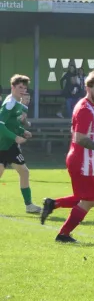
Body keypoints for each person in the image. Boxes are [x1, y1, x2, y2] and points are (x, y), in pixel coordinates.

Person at [40, 70, 94, 242]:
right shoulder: (85, 109)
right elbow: (79, 138)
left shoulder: (88, 106)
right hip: (81, 161)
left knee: (84, 197)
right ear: (88, 88)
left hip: (83, 159)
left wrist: (93, 155)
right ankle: (63, 234)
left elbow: (77, 132)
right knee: (92, 199)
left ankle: (53, 204)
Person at [0, 75, 41, 214]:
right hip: (1, 144)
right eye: (19, 87)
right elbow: (0, 125)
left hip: (9, 144)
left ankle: (29, 205)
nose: (23, 90)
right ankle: (29, 205)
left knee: (24, 171)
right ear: (12, 87)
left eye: (25, 87)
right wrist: (16, 137)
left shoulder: (18, 103)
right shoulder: (10, 103)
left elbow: (12, 124)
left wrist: (23, 131)